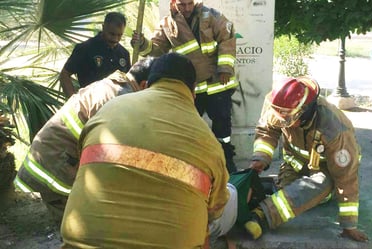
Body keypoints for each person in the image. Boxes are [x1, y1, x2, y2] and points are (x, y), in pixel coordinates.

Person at [60, 53, 229, 248]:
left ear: (147, 84)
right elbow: (216, 208)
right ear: (193, 93)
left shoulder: (109, 110)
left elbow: (86, 165)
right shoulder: (207, 139)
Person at [14, 57, 155, 225]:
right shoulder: (121, 99)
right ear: (145, 84)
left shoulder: (114, 85)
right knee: (83, 226)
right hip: (57, 166)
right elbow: (112, 155)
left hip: (52, 157)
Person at [246, 76, 369, 242]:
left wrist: (349, 225)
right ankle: (268, 188)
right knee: (289, 195)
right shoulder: (281, 106)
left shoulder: (335, 129)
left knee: (319, 185)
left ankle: (263, 216)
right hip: (295, 165)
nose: (283, 122)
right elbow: (267, 130)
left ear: (305, 112)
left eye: (288, 119)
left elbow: (346, 178)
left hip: (326, 171)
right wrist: (260, 158)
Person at [131, 0, 238, 173]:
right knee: (188, 126)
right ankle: (191, 161)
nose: (187, 8)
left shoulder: (212, 16)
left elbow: (227, 40)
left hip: (217, 84)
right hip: (190, 87)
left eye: (189, 3)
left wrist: (225, 67)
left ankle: (227, 160)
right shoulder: (167, 24)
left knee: (223, 129)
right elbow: (157, 50)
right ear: (174, 3)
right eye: (182, 5)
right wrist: (142, 43)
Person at [60, 12, 131, 98]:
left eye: (119, 35)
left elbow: (128, 82)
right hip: (90, 105)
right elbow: (65, 74)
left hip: (116, 106)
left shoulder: (124, 54)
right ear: (103, 27)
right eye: (112, 34)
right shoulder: (85, 48)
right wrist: (74, 101)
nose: (115, 39)